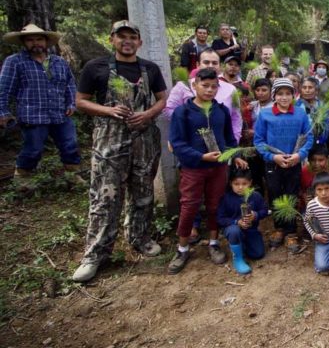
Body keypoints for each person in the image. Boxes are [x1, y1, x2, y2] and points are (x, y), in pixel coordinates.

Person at [72, 20, 167, 282]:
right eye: (121, 36)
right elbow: (81, 102)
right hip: (110, 140)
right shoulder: (96, 67)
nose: (127, 41)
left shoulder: (149, 68)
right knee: (106, 197)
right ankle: (95, 254)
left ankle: (140, 238)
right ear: (112, 39)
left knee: (143, 191)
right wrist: (109, 110)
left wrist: (147, 114)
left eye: (132, 37)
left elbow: (162, 99)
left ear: (139, 41)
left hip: (144, 138)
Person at [167, 69, 247, 274]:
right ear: (195, 85)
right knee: (189, 206)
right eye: (205, 85)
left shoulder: (220, 111)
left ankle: (213, 242)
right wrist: (200, 156)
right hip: (193, 168)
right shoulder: (182, 112)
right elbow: (177, 143)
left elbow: (229, 138)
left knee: (215, 205)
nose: (210, 90)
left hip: (218, 168)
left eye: (214, 86)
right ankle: (182, 248)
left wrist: (234, 154)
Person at [0, 24, 82, 185]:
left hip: (60, 114)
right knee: (33, 149)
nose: (35, 43)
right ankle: (22, 178)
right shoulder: (15, 62)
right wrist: (2, 112)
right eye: (30, 40)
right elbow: (3, 89)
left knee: (70, 145)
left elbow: (70, 84)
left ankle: (73, 176)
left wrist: (71, 104)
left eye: (39, 39)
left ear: (46, 42)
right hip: (33, 115)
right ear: (24, 42)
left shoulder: (59, 62)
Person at [254, 78, 313, 251]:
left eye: (288, 93)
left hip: (293, 162)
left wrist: (299, 155)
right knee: (274, 194)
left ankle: (291, 232)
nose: (284, 97)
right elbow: (259, 140)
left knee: (291, 194)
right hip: (273, 164)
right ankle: (279, 228)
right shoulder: (265, 114)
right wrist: (273, 157)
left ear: (294, 95)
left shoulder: (300, 113)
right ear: (274, 96)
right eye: (280, 94)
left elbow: (308, 136)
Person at [163, 50, 242, 143]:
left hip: (221, 144)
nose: (211, 66)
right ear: (198, 64)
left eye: (215, 63)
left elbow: (236, 117)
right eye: (206, 62)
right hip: (190, 143)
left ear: (220, 66)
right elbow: (169, 110)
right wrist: (190, 122)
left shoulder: (231, 89)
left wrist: (234, 140)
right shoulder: (183, 86)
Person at [217, 169, 269, 275]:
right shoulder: (226, 198)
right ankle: (238, 259)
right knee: (234, 231)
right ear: (231, 183)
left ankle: (242, 245)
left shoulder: (255, 196)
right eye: (236, 184)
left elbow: (264, 210)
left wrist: (255, 215)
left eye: (244, 184)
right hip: (233, 228)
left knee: (258, 254)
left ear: (250, 183)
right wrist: (236, 221)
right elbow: (220, 219)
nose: (240, 187)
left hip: (251, 229)